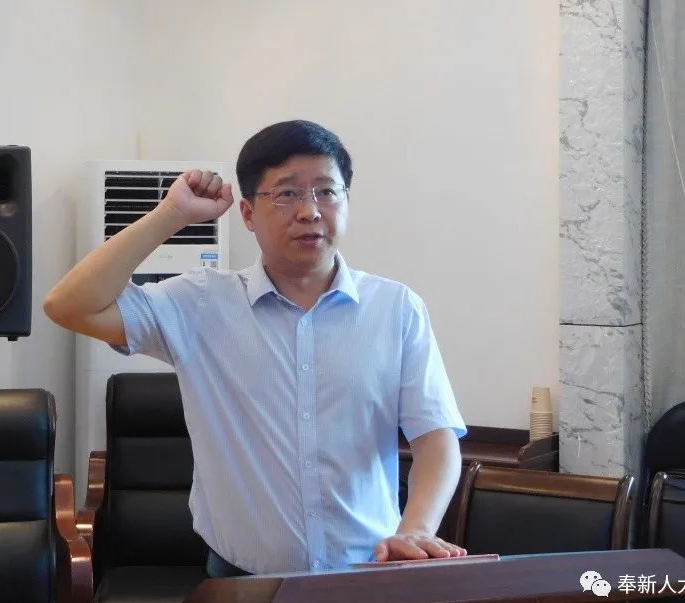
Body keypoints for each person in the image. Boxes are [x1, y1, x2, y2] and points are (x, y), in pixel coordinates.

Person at [44, 119, 467, 576]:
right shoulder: (199, 303)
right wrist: (172, 215)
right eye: (287, 193)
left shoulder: (397, 309)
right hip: (241, 582)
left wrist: (416, 529)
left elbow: (435, 437)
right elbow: (68, 306)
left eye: (327, 191)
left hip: (368, 575)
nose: (310, 211)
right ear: (247, 213)